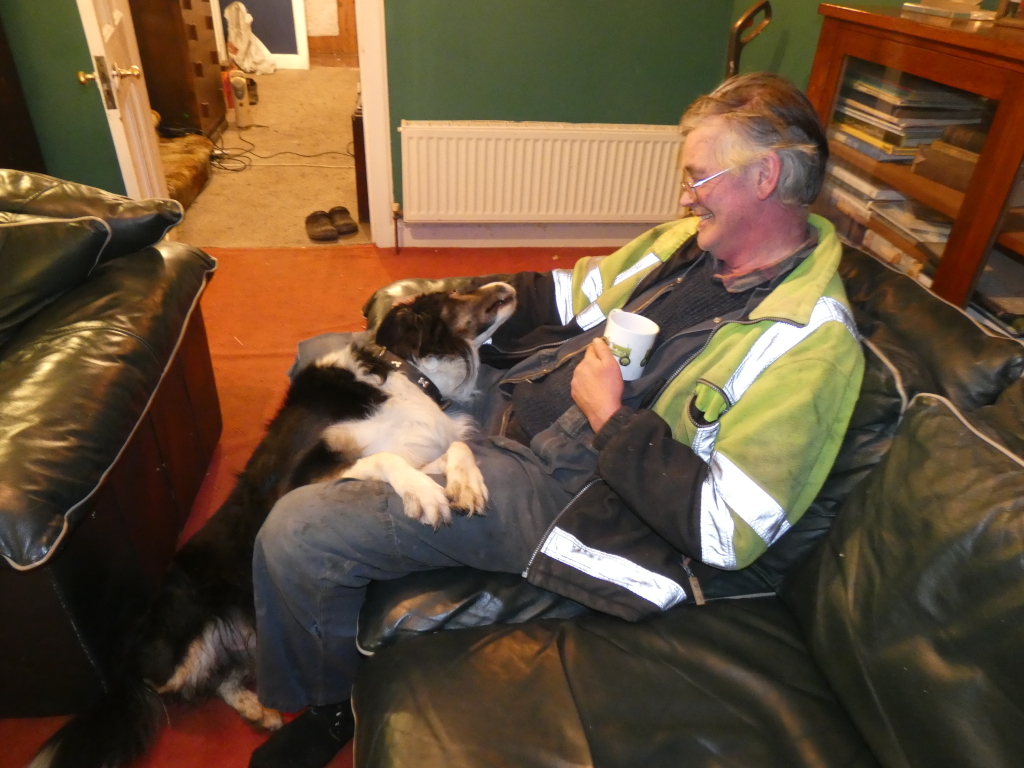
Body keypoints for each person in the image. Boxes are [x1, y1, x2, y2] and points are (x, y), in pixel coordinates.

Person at [248, 72, 865, 768]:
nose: (684, 195)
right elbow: (570, 294)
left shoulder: (810, 342)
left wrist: (610, 420)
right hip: (523, 399)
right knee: (322, 360)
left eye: (698, 177)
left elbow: (727, 531)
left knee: (297, 533)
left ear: (766, 176)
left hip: (575, 491)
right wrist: (457, 300)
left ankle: (327, 703)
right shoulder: (687, 243)